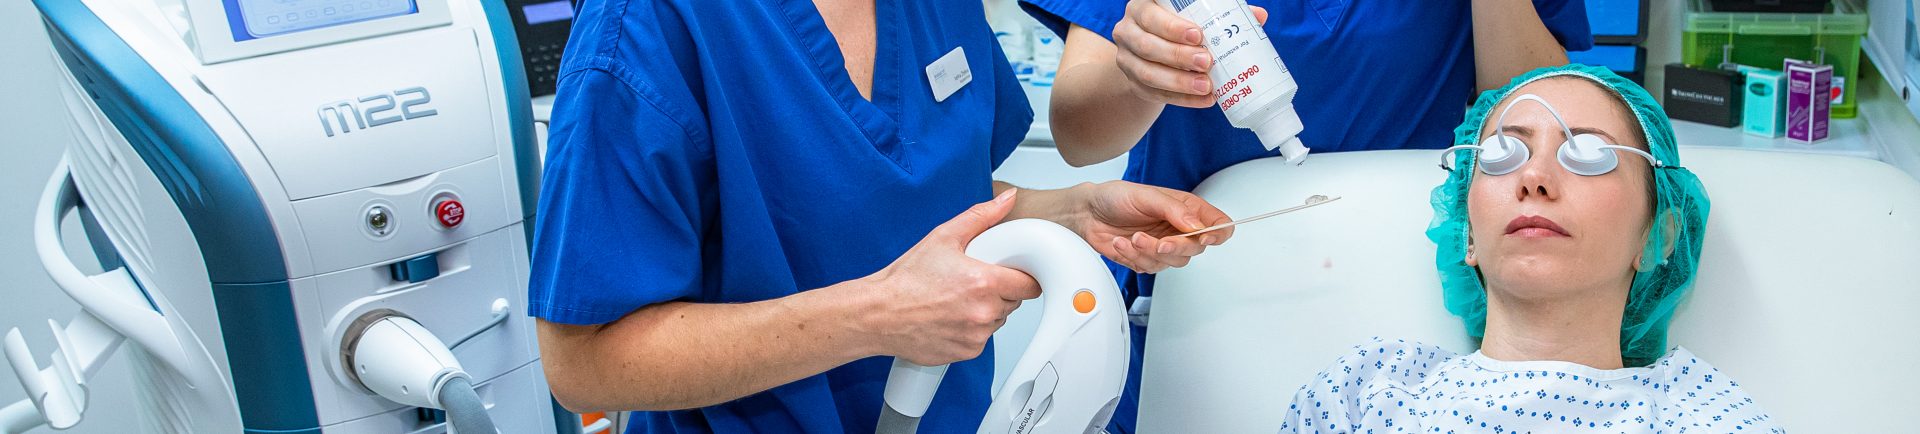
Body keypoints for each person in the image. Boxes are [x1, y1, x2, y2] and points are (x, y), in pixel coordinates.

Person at [526, 0, 1236, 432]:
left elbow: (931, 194)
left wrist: (1075, 214)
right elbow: (583, 363)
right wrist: (879, 315)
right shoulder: (651, 26)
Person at [1016, 1, 1593, 430]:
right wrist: (1140, 75)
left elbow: (1534, 114)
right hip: (1192, 301)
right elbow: (1078, 134)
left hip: (1404, 303)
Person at [1278, 64, 1780, 433]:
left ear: (1657, 236)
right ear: (1468, 234)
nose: (1534, 178)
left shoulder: (1702, 416)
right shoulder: (1366, 389)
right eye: (1501, 153)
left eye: (1589, 154)